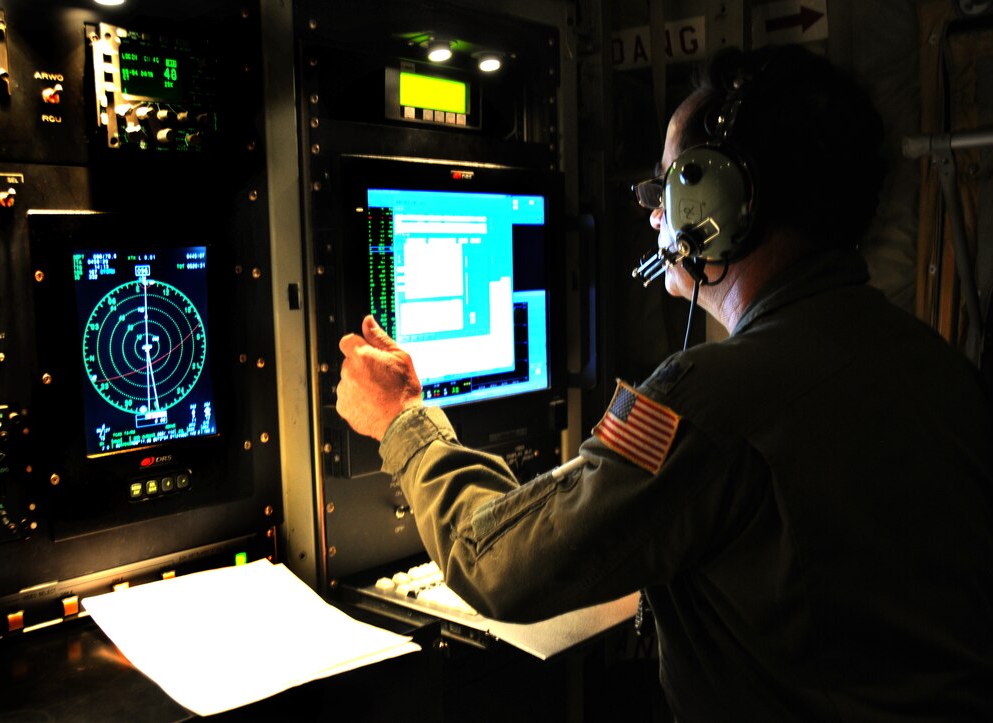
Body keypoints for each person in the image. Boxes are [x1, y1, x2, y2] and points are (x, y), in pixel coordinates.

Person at [335, 44, 993, 720]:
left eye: (669, 186)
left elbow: (495, 563)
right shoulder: (934, 363)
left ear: (720, 198)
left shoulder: (708, 397)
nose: (655, 216)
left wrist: (403, 418)